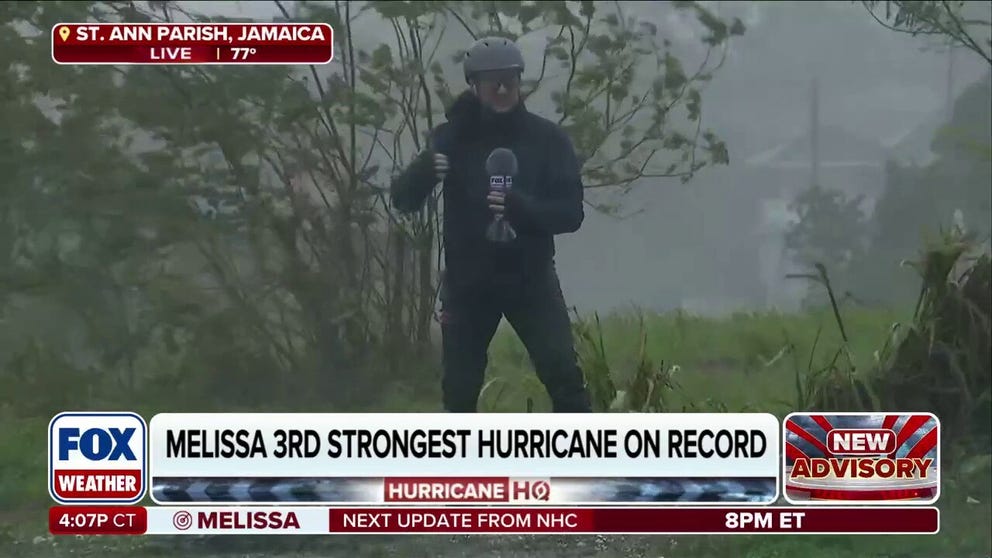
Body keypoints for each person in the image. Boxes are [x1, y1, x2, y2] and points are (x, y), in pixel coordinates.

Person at [390, 36, 592, 413]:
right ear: (474, 85)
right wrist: (422, 173)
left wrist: (522, 210)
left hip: (530, 279)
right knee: (459, 390)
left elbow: (571, 214)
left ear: (520, 81)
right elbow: (403, 201)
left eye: (509, 80)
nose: (501, 89)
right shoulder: (452, 138)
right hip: (468, 283)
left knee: (564, 377)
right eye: (491, 81)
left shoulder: (548, 140)